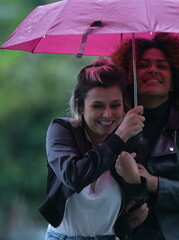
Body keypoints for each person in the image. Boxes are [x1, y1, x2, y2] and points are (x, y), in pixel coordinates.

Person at [111, 33, 179, 240]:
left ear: (174, 81)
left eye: (162, 65)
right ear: (129, 76)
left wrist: (153, 183)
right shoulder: (115, 122)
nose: (153, 69)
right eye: (143, 64)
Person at [39, 57, 149, 240]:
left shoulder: (133, 139)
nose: (108, 114)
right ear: (80, 106)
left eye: (115, 105)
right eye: (98, 106)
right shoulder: (61, 131)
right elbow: (74, 176)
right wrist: (118, 137)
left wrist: (133, 179)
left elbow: (139, 209)